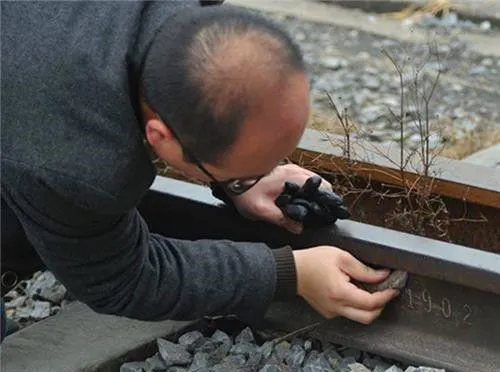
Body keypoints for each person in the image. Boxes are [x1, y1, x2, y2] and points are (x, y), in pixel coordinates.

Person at [1, 0, 399, 341]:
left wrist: (244, 177)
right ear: (160, 136)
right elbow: (124, 278)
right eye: (240, 173)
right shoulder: (73, 162)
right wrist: (288, 273)